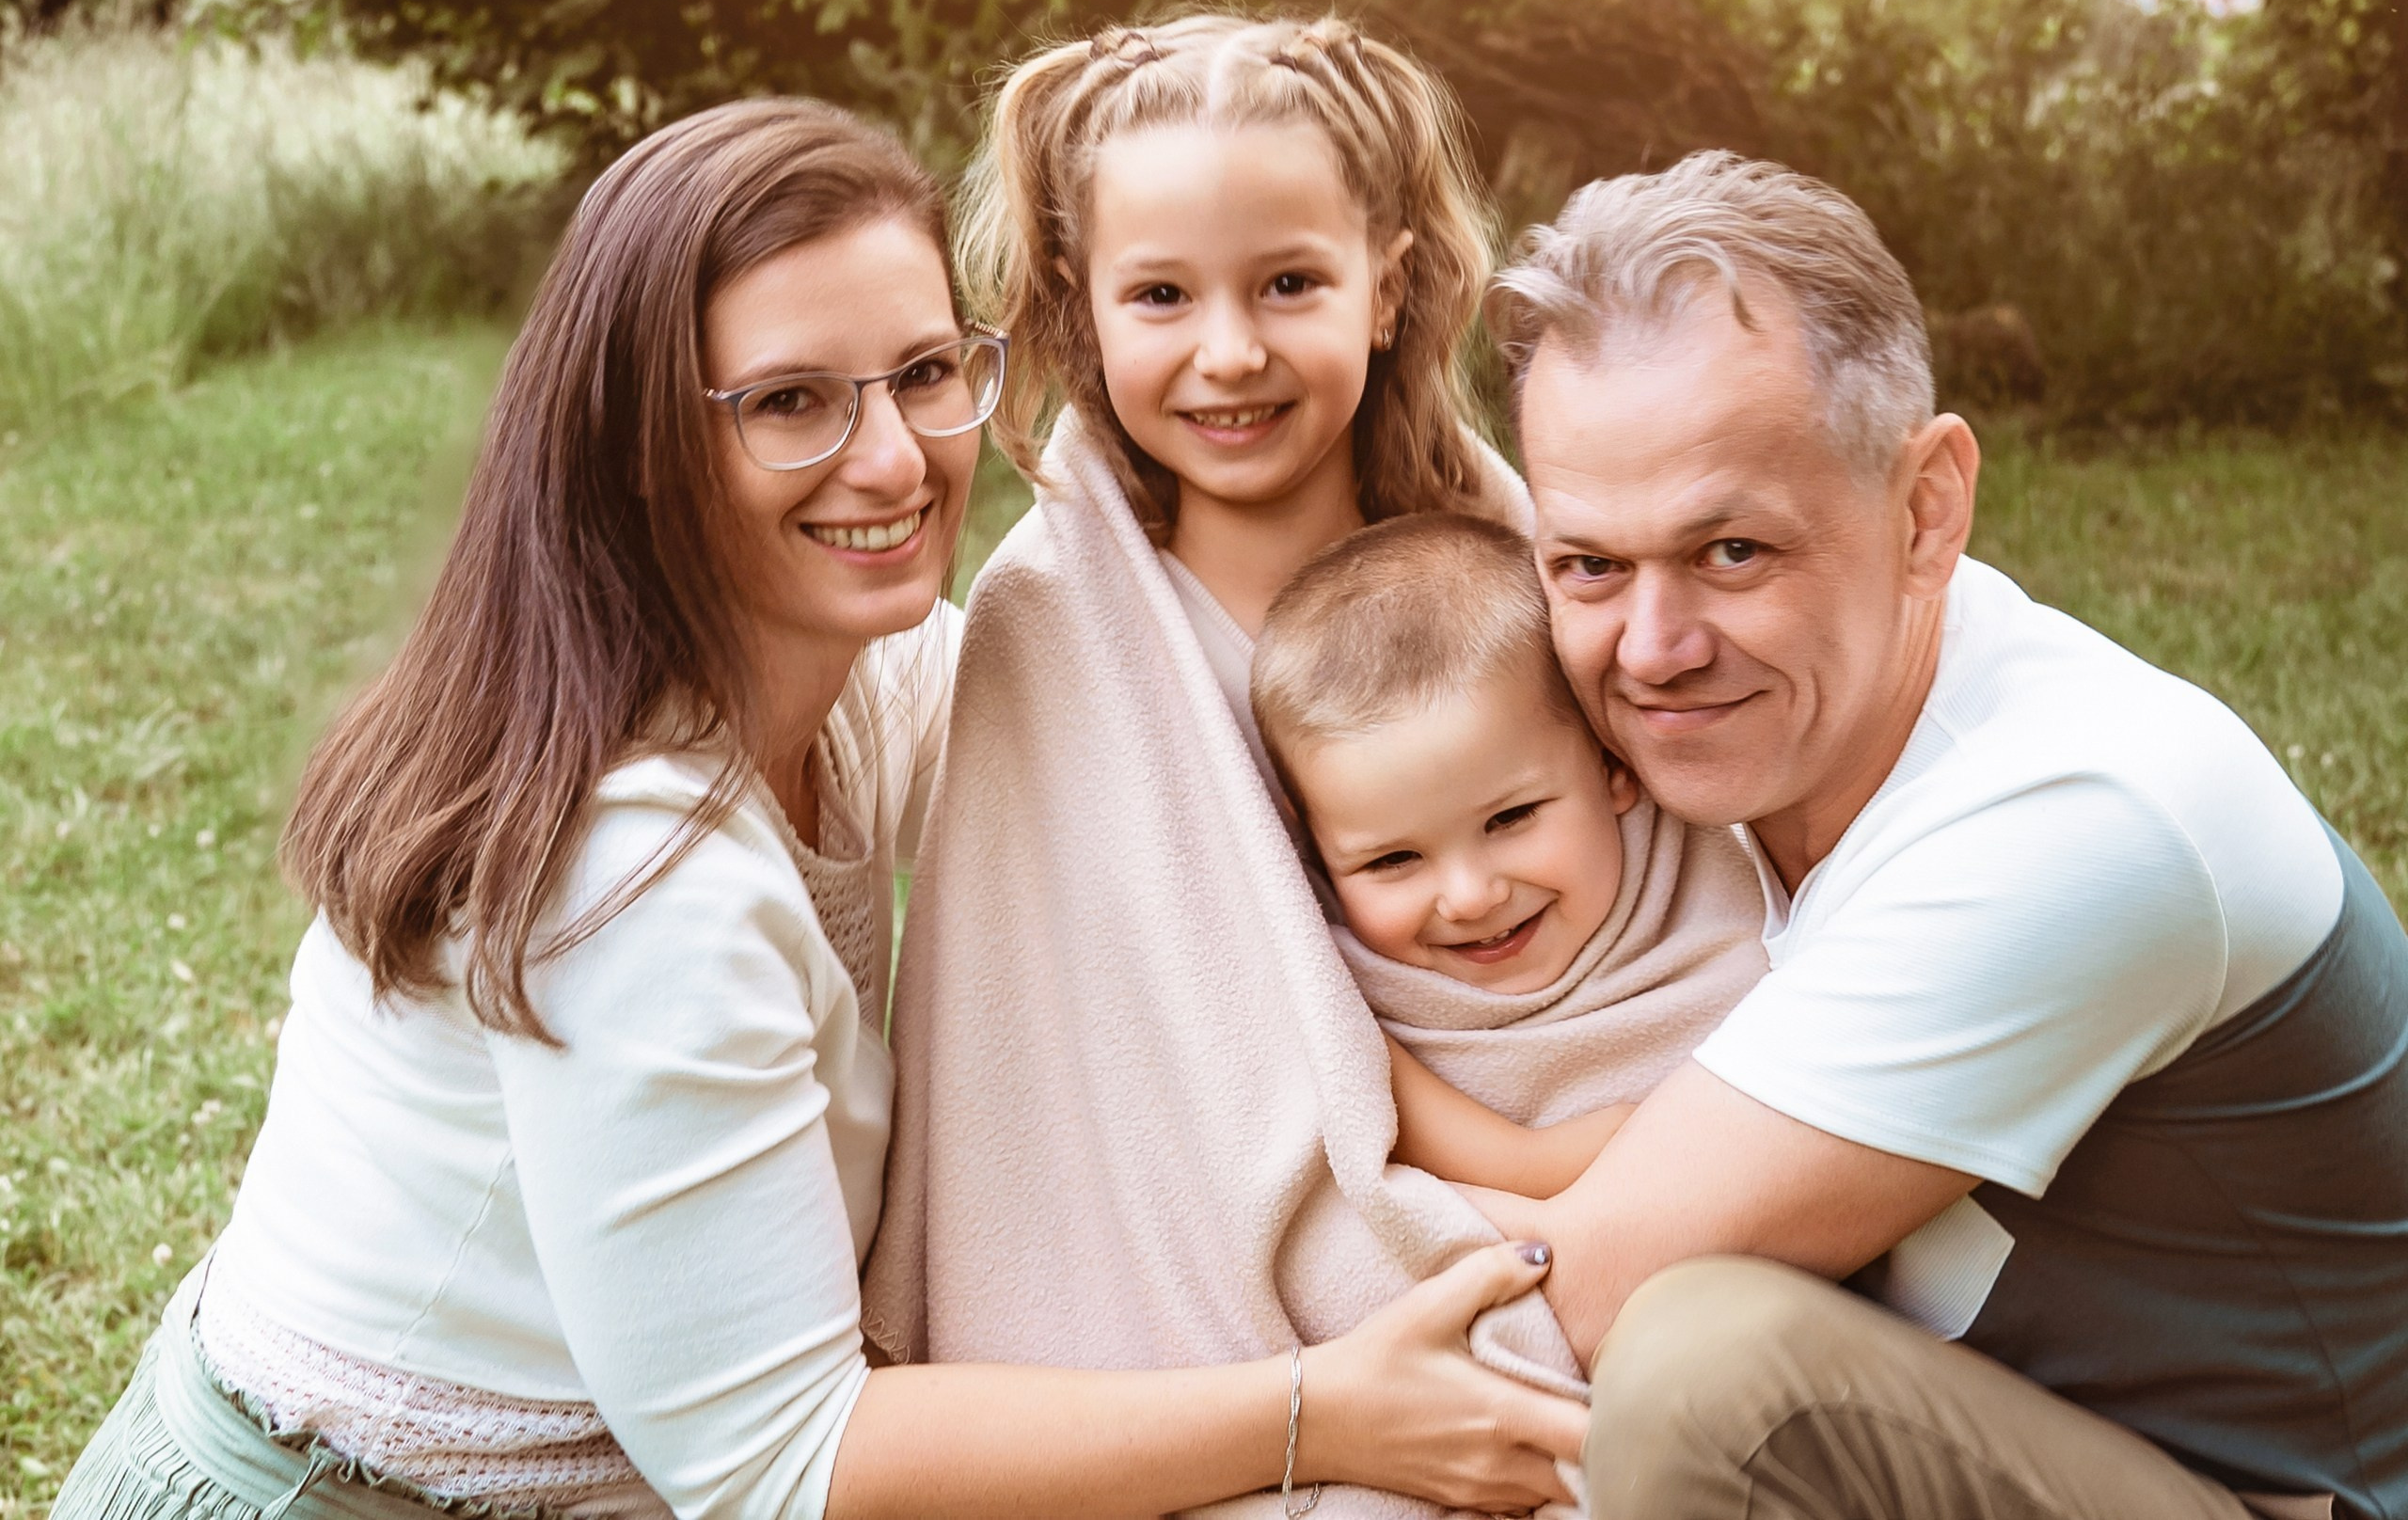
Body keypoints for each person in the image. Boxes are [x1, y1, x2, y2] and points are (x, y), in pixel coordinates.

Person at [47, 97, 1591, 1520]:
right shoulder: (635, 877)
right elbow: (788, 1460)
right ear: (643, 442)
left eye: (923, 374)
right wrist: (1322, 1410)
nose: (893, 457)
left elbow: (1187, 745)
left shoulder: (862, 684)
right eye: (790, 400)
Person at [1481, 150, 2408, 1520]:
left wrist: (1236, 1381)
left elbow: (1582, 1296)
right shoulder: (1746, 743)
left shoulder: (2078, 819)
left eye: (1733, 552)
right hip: (2009, 1428)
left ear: (1926, 509)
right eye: (1590, 565)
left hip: (2263, 1498)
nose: (1653, 649)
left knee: (1701, 1376)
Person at [863, 14, 1617, 1513]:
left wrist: (1613, 1147)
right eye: (1161, 294)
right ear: (1079, 308)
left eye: (1288, 283)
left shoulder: (1509, 571)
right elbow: (1078, 1077)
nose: (1229, 352)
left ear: (1387, 283)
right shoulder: (1050, 628)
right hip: (1206, 1297)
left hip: (1593, 1183)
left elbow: (1673, 898)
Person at [1247, 511, 1765, 1201]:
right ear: (1312, 850)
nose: (1470, 897)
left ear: (1613, 764)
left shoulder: (1725, 902)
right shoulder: (1341, 1006)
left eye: (1510, 818)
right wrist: (1536, 1164)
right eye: (1393, 860)